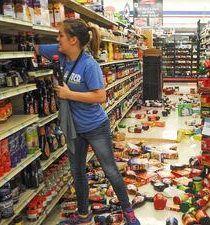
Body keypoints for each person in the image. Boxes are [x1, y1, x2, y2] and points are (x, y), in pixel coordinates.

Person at [35, 18, 140, 225]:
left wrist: (68, 94)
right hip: (73, 128)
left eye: (61, 36)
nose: (58, 40)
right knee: (77, 172)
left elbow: (100, 97)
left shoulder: (89, 65)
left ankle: (128, 212)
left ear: (73, 40)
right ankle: (84, 215)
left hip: (95, 127)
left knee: (110, 170)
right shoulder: (61, 54)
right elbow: (35, 48)